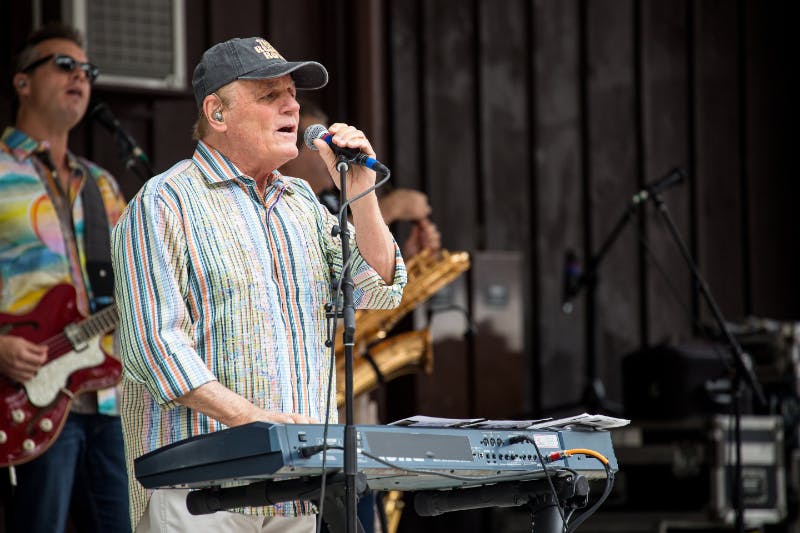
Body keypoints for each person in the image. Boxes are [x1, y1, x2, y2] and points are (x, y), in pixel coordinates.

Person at [111, 36, 407, 532]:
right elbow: (155, 345)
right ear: (217, 112)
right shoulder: (162, 202)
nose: (292, 106)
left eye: (292, 94)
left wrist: (360, 194)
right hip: (198, 491)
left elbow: (378, 287)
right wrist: (250, 419)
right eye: (270, 95)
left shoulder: (303, 203)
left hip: (298, 488)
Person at [0, 23, 130, 533]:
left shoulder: (102, 184)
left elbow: (135, 282)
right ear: (23, 82)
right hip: (24, 394)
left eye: (87, 70)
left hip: (109, 394)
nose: (80, 76)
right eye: (63, 65)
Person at [280, 99, 441, 258]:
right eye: (317, 143)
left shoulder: (329, 199)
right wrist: (391, 207)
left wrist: (410, 260)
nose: (331, 151)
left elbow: (338, 263)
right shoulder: (277, 202)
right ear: (289, 153)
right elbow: (322, 244)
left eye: (329, 141)